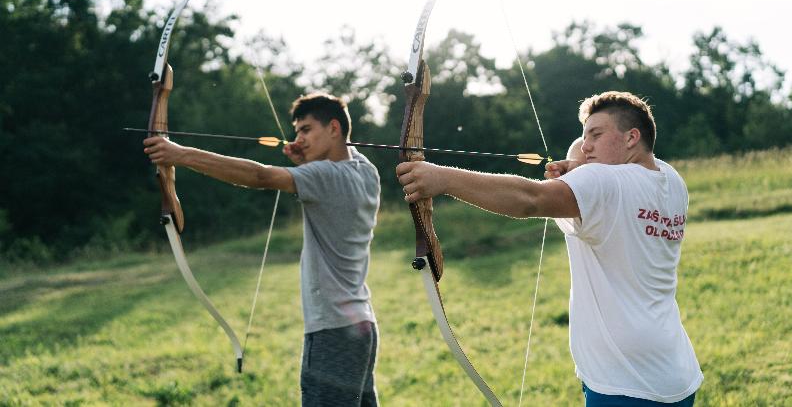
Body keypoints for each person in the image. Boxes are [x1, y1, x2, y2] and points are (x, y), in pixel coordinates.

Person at [396, 91, 702, 406]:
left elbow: (531, 199)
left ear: (631, 137)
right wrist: (580, 168)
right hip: (675, 372)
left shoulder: (603, 182)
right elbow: (597, 170)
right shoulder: (670, 179)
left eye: (596, 134)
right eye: (585, 136)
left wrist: (441, 179)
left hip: (624, 382)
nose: (586, 145)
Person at [144, 93, 381, 406]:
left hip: (333, 329)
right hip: (361, 328)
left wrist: (179, 154)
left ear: (334, 128)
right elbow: (338, 167)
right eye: (297, 132)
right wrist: (308, 159)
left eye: (306, 130)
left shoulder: (325, 176)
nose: (299, 139)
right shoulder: (366, 171)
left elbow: (260, 175)